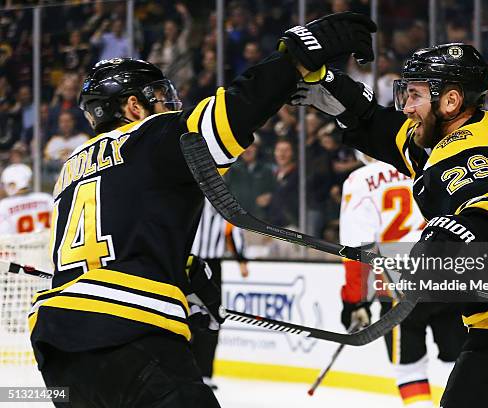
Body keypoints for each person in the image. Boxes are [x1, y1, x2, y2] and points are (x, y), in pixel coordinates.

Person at [28, 12, 376, 408]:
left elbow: (114, 234)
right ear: (131, 105)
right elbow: (234, 111)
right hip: (128, 330)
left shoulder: (71, 165)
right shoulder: (150, 136)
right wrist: (294, 58)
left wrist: (177, 270)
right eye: (156, 97)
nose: (165, 104)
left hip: (59, 349)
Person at [293, 42, 488, 408]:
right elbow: (392, 135)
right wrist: (347, 100)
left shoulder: (463, 159)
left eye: (415, 95)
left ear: (451, 100)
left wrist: (440, 245)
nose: (408, 107)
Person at [339, 154, 464, 407]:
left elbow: (356, 248)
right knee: (462, 359)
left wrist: (356, 302)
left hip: (399, 286)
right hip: (450, 275)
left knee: (409, 368)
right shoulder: (435, 163)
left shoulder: (360, 179)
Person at [189, 197, 249, 390]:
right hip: (193, 263)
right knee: (196, 316)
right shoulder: (192, 190)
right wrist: (241, 259)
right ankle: (194, 370)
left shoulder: (216, 195)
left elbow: (232, 228)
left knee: (211, 317)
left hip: (200, 264)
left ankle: (204, 372)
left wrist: (240, 258)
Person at [0, 163, 53, 235]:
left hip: (19, 245)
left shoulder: (4, 205)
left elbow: (4, 236)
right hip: (49, 243)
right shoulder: (46, 198)